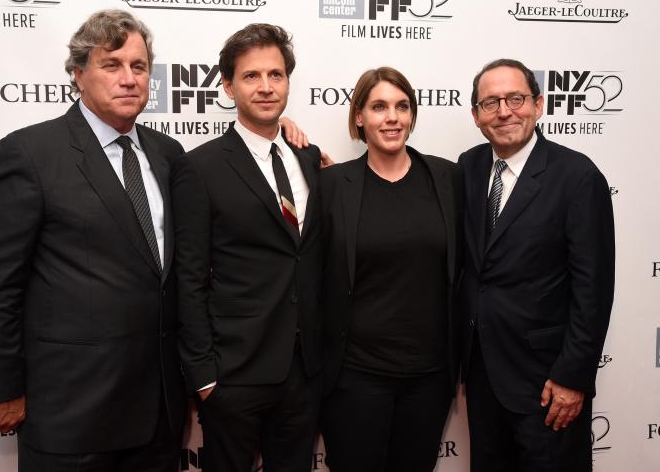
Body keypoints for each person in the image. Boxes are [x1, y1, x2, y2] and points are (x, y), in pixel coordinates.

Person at [0, 10, 187, 471]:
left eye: (139, 67)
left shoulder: (168, 154)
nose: (129, 79)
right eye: (112, 65)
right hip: (71, 417)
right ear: (78, 74)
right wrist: (2, 390)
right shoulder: (29, 154)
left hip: (160, 415)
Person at [173, 24, 324, 472]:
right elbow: (188, 275)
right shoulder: (199, 167)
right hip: (234, 372)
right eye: (251, 76)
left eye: (275, 75)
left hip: (305, 371)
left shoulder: (309, 158)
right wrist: (204, 375)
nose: (265, 87)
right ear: (228, 85)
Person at [458, 58, 615, 472]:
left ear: (539, 104)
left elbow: (593, 291)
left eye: (515, 98)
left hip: (548, 385)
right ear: (476, 116)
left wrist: (573, 378)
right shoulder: (469, 168)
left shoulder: (577, 177)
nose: (504, 111)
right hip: (483, 377)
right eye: (490, 103)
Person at [320, 67, 464, 471]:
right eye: (379, 106)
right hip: (355, 378)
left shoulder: (448, 178)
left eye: (402, 106)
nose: (393, 117)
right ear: (359, 117)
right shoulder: (333, 186)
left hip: (430, 378)